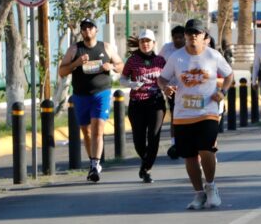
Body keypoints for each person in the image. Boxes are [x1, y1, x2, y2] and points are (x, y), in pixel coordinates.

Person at [157, 19, 234, 210]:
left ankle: (211, 186)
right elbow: (162, 78)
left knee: (206, 149)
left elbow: (229, 75)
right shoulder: (176, 57)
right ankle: (199, 193)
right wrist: (165, 88)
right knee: (190, 156)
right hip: (183, 113)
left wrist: (222, 92)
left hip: (208, 111)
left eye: (197, 33)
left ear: (203, 36)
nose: (193, 36)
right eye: (189, 33)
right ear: (185, 35)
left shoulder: (213, 55)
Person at [59, 17, 124, 183]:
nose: (87, 30)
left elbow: (121, 65)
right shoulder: (75, 49)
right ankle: (93, 162)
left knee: (97, 129)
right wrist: (76, 63)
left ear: (96, 30)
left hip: (101, 93)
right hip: (81, 95)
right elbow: (62, 71)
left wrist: (112, 66)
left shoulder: (106, 47)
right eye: (84, 28)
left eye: (90, 27)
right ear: (81, 32)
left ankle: (95, 165)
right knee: (86, 132)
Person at [120, 29, 166, 184]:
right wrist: (132, 84)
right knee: (139, 140)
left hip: (156, 103)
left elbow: (167, 78)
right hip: (137, 104)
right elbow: (122, 79)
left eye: (148, 41)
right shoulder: (132, 60)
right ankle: (146, 161)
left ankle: (146, 169)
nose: (145, 44)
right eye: (142, 41)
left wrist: (168, 86)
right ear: (139, 43)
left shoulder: (161, 61)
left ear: (154, 43)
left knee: (154, 137)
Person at [159, 25, 185, 160]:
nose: (178, 40)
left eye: (181, 37)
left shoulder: (189, 49)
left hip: (187, 89)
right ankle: (174, 144)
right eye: (175, 37)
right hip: (171, 88)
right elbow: (158, 62)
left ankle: (187, 141)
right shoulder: (167, 48)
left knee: (187, 115)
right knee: (175, 115)